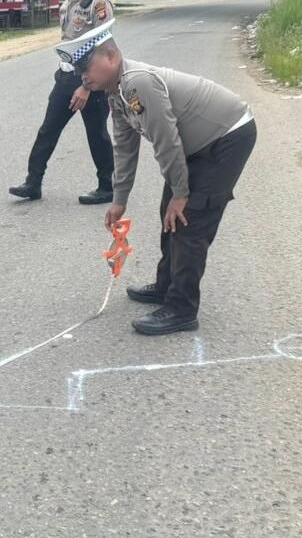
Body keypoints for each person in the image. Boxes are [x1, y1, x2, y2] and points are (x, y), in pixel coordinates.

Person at [63, 20, 258, 335]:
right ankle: (167, 285)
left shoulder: (137, 84)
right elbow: (125, 149)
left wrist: (182, 193)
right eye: (78, 70)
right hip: (196, 145)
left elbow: (167, 141)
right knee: (168, 212)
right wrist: (119, 200)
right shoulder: (116, 94)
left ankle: (182, 308)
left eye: (87, 65)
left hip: (227, 136)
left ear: (111, 56)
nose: (82, 75)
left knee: (189, 219)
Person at [9, 0, 115, 205]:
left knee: (96, 134)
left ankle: (106, 186)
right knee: (48, 130)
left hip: (93, 83)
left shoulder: (99, 5)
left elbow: (101, 49)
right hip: (66, 79)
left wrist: (86, 87)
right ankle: (33, 183)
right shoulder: (67, 4)